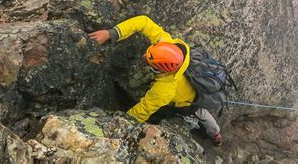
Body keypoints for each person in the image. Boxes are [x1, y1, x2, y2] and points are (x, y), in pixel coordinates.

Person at [88, 15, 223, 146]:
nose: (144, 57)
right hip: (191, 83)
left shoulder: (164, 90)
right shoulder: (167, 43)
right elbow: (143, 21)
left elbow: (142, 111)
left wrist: (119, 125)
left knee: (197, 112)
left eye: (149, 61)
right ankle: (215, 133)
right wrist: (112, 33)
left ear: (163, 70)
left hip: (187, 102)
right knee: (202, 114)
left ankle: (215, 135)